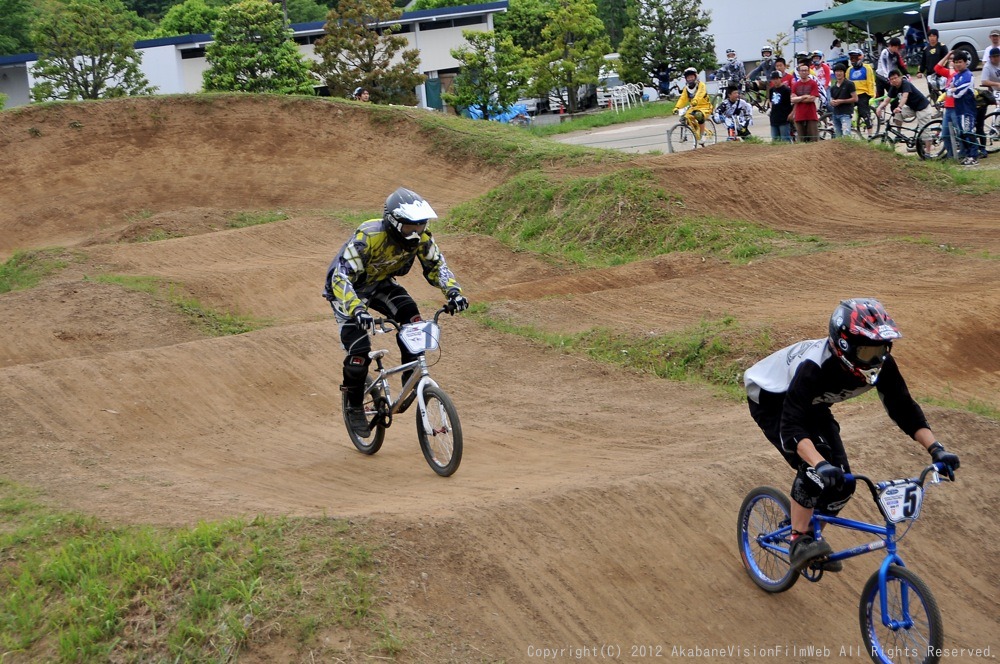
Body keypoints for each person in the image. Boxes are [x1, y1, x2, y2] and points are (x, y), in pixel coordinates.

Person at [744, 298, 960, 573]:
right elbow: (792, 428)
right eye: (868, 351)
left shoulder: (882, 365)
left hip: (815, 404)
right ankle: (798, 541)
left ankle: (807, 532)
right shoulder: (814, 367)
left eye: (882, 349)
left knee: (844, 483)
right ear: (843, 346)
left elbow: (903, 408)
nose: (876, 358)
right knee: (813, 471)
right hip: (772, 400)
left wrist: (936, 449)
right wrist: (819, 464)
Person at [324, 187, 469, 437]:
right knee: (359, 355)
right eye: (409, 228)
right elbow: (341, 276)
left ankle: (410, 376)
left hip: (380, 284)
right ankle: (355, 407)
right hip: (347, 291)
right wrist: (357, 309)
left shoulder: (422, 238)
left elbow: (437, 265)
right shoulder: (369, 235)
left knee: (413, 319)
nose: (415, 234)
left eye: (420, 226)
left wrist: (454, 292)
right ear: (393, 222)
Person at [876, 69, 934, 139]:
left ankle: (928, 149)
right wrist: (879, 108)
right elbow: (887, 100)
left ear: (900, 77)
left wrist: (899, 107)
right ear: (890, 81)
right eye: (891, 79)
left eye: (895, 78)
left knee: (925, 133)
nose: (894, 80)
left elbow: (904, 97)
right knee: (897, 115)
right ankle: (899, 134)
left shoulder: (905, 83)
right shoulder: (894, 87)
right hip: (913, 108)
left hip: (923, 108)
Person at [944, 51, 979, 166]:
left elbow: (960, 91)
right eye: (956, 62)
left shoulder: (968, 75)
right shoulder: (956, 76)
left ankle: (974, 156)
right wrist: (952, 91)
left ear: (965, 62)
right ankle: (968, 155)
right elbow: (949, 89)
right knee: (962, 133)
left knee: (968, 131)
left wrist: (952, 91)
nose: (958, 64)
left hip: (967, 108)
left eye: (960, 62)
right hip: (958, 108)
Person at [675, 67, 715, 145]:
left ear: (696, 77)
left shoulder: (701, 85)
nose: (690, 79)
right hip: (693, 107)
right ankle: (691, 133)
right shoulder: (686, 88)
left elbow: (700, 94)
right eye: (688, 77)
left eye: (692, 77)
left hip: (705, 107)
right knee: (684, 118)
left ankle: (702, 134)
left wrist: (695, 100)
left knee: (698, 115)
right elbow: (683, 98)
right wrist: (677, 107)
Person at [848, 48, 877, 137]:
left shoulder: (867, 68)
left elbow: (870, 82)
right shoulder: (849, 70)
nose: (853, 60)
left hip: (864, 94)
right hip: (853, 94)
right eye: (851, 58)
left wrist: (871, 95)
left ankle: (870, 134)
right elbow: (847, 82)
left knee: (864, 112)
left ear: (860, 58)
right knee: (846, 110)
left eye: (855, 58)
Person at [791, 62, 821, 142]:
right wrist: (804, 96)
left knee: (813, 140)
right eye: (802, 70)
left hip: (811, 115)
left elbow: (812, 99)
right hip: (799, 115)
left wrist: (798, 98)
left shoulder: (813, 83)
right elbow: (792, 99)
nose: (804, 72)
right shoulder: (795, 85)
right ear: (799, 72)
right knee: (801, 141)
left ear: (808, 72)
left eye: (805, 70)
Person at [917, 29, 949, 99]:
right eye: (930, 36)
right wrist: (920, 72)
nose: (932, 38)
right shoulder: (926, 49)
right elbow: (923, 62)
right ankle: (937, 107)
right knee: (933, 93)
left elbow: (946, 59)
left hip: (941, 73)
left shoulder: (942, 47)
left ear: (937, 37)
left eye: (934, 36)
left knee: (945, 91)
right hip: (930, 74)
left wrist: (942, 69)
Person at [828, 63, 857, 137]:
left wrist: (841, 101)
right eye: (837, 71)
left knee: (846, 135)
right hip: (835, 113)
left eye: (841, 71)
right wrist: (832, 102)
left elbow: (855, 98)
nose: (838, 73)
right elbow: (832, 98)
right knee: (838, 136)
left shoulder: (849, 84)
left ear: (844, 72)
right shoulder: (833, 87)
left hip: (846, 113)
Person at [767, 70, 793, 142]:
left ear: (780, 78)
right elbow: (770, 100)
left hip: (784, 117)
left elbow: (791, 102)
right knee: (775, 139)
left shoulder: (786, 90)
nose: (775, 81)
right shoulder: (771, 90)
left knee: (785, 138)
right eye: (773, 79)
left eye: (777, 79)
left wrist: (791, 113)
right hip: (774, 117)